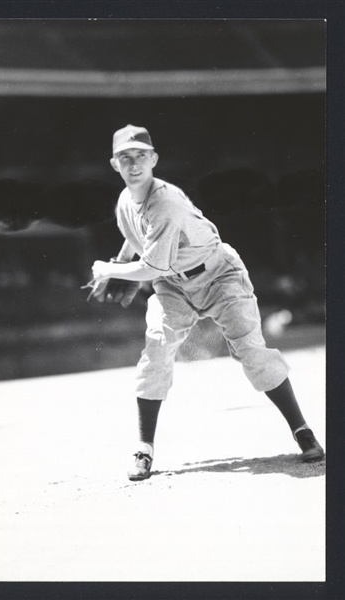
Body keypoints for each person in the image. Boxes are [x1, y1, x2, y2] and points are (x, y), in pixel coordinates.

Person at [91, 124, 324, 481]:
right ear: (114, 164)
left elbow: (154, 263)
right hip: (173, 285)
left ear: (153, 159)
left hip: (219, 275)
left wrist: (107, 269)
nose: (134, 164)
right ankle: (144, 449)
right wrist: (121, 263)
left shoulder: (165, 200)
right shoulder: (125, 202)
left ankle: (302, 430)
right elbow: (138, 239)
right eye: (126, 157)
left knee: (251, 351)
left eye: (141, 155)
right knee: (156, 349)